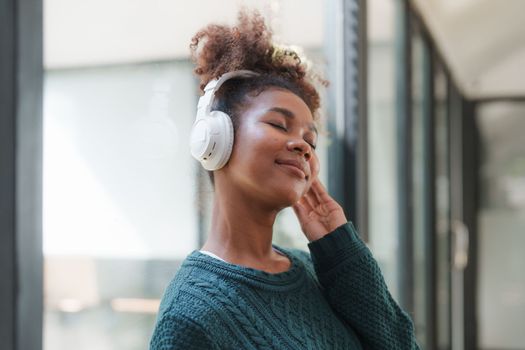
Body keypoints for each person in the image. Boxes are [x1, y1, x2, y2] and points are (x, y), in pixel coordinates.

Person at [150, 10, 419, 350]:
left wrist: (340, 248)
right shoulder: (190, 316)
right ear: (216, 138)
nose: (302, 146)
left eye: (311, 140)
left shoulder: (314, 270)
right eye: (279, 124)